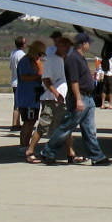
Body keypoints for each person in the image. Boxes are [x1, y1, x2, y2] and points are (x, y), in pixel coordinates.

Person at [38, 33, 112, 166]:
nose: (89, 45)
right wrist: (78, 99)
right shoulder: (73, 59)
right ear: (83, 44)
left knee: (89, 129)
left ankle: (97, 156)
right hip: (81, 97)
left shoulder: (80, 58)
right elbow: (74, 81)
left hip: (88, 98)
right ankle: (47, 152)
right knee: (67, 127)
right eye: (88, 43)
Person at [34, 30, 76, 163]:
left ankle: (70, 153)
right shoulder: (52, 56)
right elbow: (46, 79)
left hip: (61, 97)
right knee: (44, 126)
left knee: (65, 126)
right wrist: (55, 93)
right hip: (52, 98)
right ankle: (32, 150)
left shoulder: (63, 59)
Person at [16, 40, 45, 161]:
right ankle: (24, 145)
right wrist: (39, 77)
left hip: (34, 97)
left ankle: (25, 145)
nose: (40, 56)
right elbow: (23, 76)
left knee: (31, 121)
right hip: (27, 97)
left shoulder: (34, 61)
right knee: (28, 122)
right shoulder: (25, 61)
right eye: (39, 53)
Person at [8, 35, 28, 133]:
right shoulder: (22, 55)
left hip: (14, 80)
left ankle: (17, 123)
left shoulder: (13, 53)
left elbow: (11, 67)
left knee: (17, 103)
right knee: (18, 104)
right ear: (23, 44)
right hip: (20, 82)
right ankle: (15, 124)